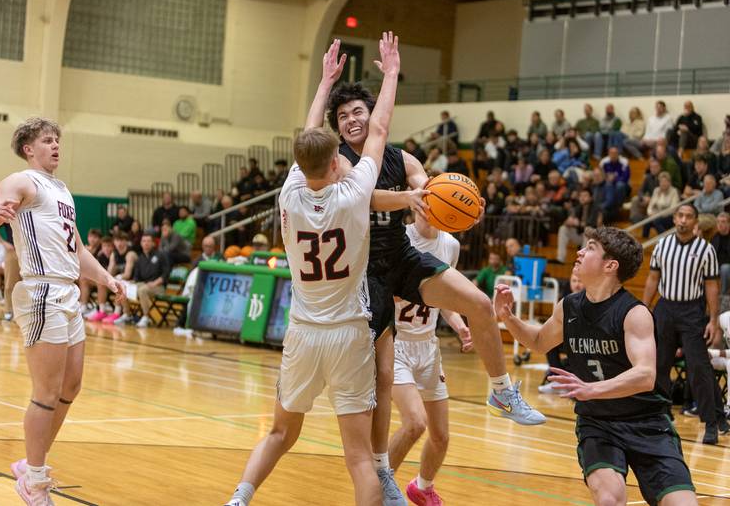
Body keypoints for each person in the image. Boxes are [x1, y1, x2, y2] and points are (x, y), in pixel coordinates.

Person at [317, 36, 546, 505]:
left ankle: (501, 390)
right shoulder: (338, 161)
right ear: (338, 129)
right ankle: (382, 472)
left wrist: (458, 205)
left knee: (480, 304)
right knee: (383, 377)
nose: (353, 120)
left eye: (359, 111)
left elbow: (433, 191)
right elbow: (371, 198)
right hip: (362, 271)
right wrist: (408, 198)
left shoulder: (403, 159)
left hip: (399, 255)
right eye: (343, 117)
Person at [223, 32, 401, 506]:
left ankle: (240, 498)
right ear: (336, 164)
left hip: (302, 332)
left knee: (281, 432)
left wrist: (324, 83)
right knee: (360, 458)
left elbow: (308, 138)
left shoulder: (289, 195)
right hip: (348, 334)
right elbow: (379, 131)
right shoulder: (355, 191)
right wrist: (392, 75)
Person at [0, 117, 124, 504]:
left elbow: (77, 249)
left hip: (68, 293)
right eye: (47, 141)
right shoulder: (21, 182)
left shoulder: (61, 189)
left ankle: (30, 463)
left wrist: (107, 278)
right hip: (41, 290)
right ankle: (34, 481)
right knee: (46, 392)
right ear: (29, 149)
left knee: (71, 386)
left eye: (57, 140)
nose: (56, 146)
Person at [496, 227, 699, 506]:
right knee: (609, 500)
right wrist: (508, 317)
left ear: (610, 266)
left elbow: (645, 375)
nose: (579, 252)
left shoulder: (634, 313)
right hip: (598, 425)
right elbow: (540, 341)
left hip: (647, 423)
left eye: (590, 248)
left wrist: (592, 388)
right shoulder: (569, 306)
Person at [387, 213, 473, 505]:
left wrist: (459, 325)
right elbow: (384, 293)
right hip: (396, 344)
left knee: (441, 436)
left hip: (428, 347)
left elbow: (445, 297)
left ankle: (422, 487)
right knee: (414, 423)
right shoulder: (398, 239)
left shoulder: (450, 245)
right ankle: (378, 488)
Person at [643, 203, 730, 444]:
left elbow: (712, 286)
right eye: (680, 216)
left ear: (695, 222)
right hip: (665, 307)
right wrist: (643, 308)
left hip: (692, 311)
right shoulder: (662, 245)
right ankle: (660, 414)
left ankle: (711, 422)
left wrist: (713, 319)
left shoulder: (706, 249)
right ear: (673, 218)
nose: (683, 220)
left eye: (688, 217)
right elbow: (652, 278)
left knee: (699, 366)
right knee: (659, 364)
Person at [538, 272, 583, 394]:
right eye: (574, 281)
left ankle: (569, 379)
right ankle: (557, 377)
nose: (577, 285)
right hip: (567, 339)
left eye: (580, 281)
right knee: (549, 341)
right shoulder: (565, 300)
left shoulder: (589, 299)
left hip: (583, 342)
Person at [91, 232, 138, 324]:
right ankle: (102, 311)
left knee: (119, 283)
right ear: (114, 242)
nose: (119, 243)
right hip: (121, 281)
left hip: (133, 282)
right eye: (117, 241)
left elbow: (127, 275)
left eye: (122, 240)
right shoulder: (114, 254)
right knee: (101, 283)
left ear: (126, 242)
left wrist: (115, 278)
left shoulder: (130, 254)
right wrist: (108, 278)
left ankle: (117, 313)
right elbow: (109, 272)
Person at [128, 232, 170, 328]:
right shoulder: (140, 258)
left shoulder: (161, 255)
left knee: (142, 290)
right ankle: (127, 314)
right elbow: (136, 278)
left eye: (148, 241)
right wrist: (130, 283)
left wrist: (155, 283)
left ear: (153, 243)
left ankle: (146, 317)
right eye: (144, 241)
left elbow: (166, 274)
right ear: (141, 243)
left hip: (159, 286)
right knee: (126, 288)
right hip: (144, 284)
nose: (146, 243)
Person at [79, 235, 113, 315]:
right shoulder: (101, 256)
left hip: (114, 282)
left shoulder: (114, 256)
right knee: (83, 278)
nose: (107, 248)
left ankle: (102, 310)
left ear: (113, 247)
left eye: (109, 246)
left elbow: (110, 274)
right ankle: (83, 306)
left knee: (101, 282)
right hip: (104, 280)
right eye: (104, 246)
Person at [712, 212, 730, 295]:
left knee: (725, 268)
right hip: (716, 266)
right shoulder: (715, 237)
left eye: (723, 222)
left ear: (728, 223)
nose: (720, 224)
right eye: (718, 222)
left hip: (727, 266)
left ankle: (723, 295)